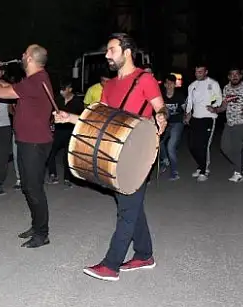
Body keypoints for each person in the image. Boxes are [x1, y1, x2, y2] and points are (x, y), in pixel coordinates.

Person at [54, 33, 167, 281]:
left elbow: (160, 106)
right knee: (131, 204)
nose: (107, 55)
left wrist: (161, 116)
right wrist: (70, 118)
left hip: (137, 151)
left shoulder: (144, 79)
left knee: (127, 208)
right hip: (113, 153)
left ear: (127, 52)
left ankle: (111, 264)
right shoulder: (110, 86)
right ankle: (144, 254)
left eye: (111, 50)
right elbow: (98, 121)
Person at [0, 44, 54, 249]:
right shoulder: (34, 80)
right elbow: (1, 90)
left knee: (34, 188)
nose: (21, 55)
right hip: (28, 141)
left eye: (24, 53)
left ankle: (42, 233)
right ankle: (37, 225)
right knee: (28, 187)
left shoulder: (35, 81)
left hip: (34, 143)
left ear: (30, 59)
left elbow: (0, 93)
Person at [208, 67, 243, 183]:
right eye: (232, 74)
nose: (234, 76)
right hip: (229, 122)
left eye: (237, 74)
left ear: (241, 76)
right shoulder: (226, 88)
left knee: (237, 149)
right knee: (224, 147)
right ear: (229, 77)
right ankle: (241, 164)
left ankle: (238, 173)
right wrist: (215, 110)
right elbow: (224, 106)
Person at [184, 63, 222, 181]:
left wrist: (214, 106)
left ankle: (204, 170)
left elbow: (219, 98)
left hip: (208, 118)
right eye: (196, 71)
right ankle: (201, 166)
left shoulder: (213, 83)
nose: (198, 74)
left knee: (203, 146)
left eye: (200, 71)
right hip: (195, 118)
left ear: (206, 72)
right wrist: (188, 113)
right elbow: (189, 101)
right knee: (192, 146)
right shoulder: (192, 86)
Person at [48, 79, 83, 186]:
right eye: (60, 89)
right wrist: (51, 123)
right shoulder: (57, 100)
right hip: (58, 131)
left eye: (63, 89)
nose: (61, 92)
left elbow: (81, 118)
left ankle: (68, 178)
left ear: (70, 89)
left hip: (70, 132)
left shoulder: (78, 102)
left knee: (67, 155)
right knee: (50, 152)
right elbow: (51, 115)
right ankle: (52, 174)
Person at [160, 74, 186, 180]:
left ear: (175, 85)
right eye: (167, 83)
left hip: (177, 123)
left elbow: (185, 109)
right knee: (158, 142)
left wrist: (186, 117)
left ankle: (174, 172)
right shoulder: (161, 96)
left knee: (171, 147)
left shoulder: (179, 96)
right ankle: (165, 159)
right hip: (165, 123)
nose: (169, 85)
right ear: (165, 85)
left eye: (172, 83)